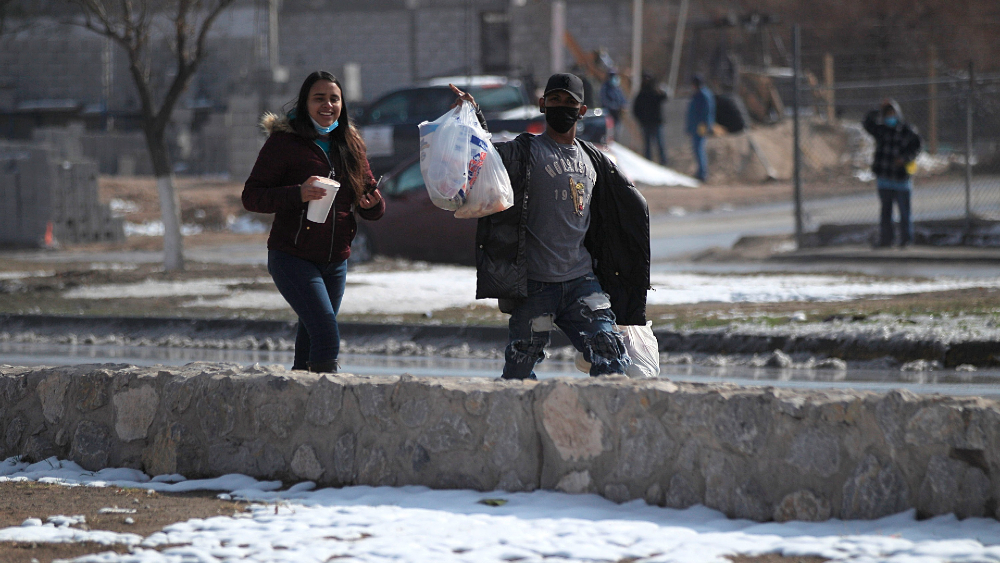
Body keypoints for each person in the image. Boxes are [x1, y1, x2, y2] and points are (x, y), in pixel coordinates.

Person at [450, 73, 650, 380]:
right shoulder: (525, 151)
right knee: (520, 367)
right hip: (536, 286)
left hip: (582, 281)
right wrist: (472, 114)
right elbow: (485, 155)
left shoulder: (594, 159)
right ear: (542, 104)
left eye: (570, 102)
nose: (562, 107)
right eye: (555, 100)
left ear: (582, 110)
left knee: (609, 354)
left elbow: (621, 211)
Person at [243, 71, 384, 373]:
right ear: (304, 103)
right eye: (319, 98)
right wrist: (298, 193)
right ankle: (326, 396)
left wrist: (373, 204)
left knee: (310, 341)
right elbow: (252, 197)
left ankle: (298, 394)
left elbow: (368, 191)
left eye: (334, 99)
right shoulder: (284, 142)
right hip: (292, 257)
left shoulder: (351, 142)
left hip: (336, 261)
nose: (327, 105)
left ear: (342, 104)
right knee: (326, 336)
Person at [863, 98, 922, 248]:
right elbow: (867, 123)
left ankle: (905, 240)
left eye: (892, 114)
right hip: (885, 178)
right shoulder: (881, 130)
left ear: (898, 114)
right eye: (887, 114)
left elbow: (917, 147)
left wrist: (905, 158)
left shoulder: (907, 130)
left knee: (904, 212)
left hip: (901, 179)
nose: (890, 117)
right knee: (886, 212)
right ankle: (886, 240)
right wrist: (877, 109)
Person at [632, 72, 669, 165]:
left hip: (656, 123)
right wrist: (641, 120)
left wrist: (660, 89)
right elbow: (635, 110)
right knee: (647, 146)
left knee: (660, 144)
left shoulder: (655, 93)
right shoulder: (641, 95)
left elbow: (664, 97)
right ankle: (648, 164)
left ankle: (663, 162)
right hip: (646, 124)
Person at [685, 74, 715, 181]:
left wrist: (705, 126)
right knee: (696, 148)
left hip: (701, 126)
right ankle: (700, 172)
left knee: (699, 148)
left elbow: (707, 112)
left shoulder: (704, 95)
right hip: (695, 126)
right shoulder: (697, 94)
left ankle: (702, 173)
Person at [599, 70, 628, 139]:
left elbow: (623, 99)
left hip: (617, 114)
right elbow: (604, 101)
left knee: (617, 131)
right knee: (609, 132)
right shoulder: (605, 88)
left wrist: (623, 106)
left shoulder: (618, 88)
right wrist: (615, 107)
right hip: (609, 114)